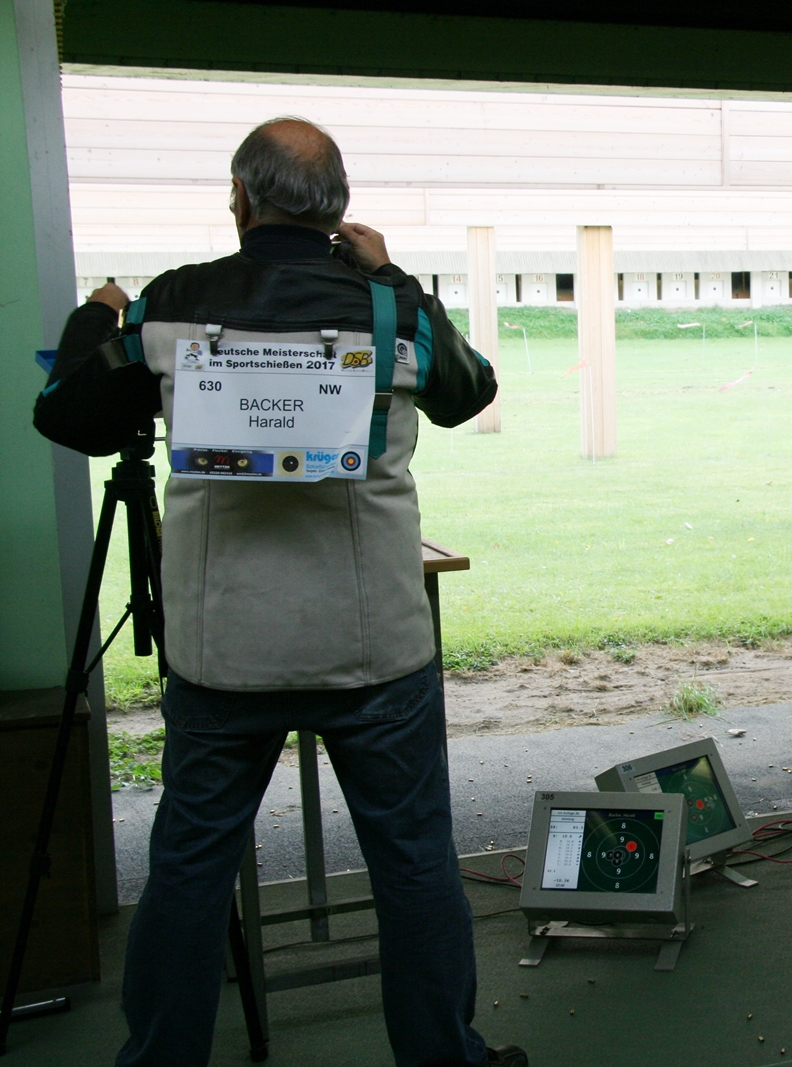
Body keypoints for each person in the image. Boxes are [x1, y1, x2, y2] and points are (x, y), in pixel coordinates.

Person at [34, 118, 523, 1067]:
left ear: (240, 199)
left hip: (225, 651)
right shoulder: (390, 308)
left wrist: (99, 315)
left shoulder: (173, 302)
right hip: (375, 648)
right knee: (414, 865)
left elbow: (71, 415)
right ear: (339, 208)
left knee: (189, 869)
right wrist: (395, 276)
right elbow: (469, 391)